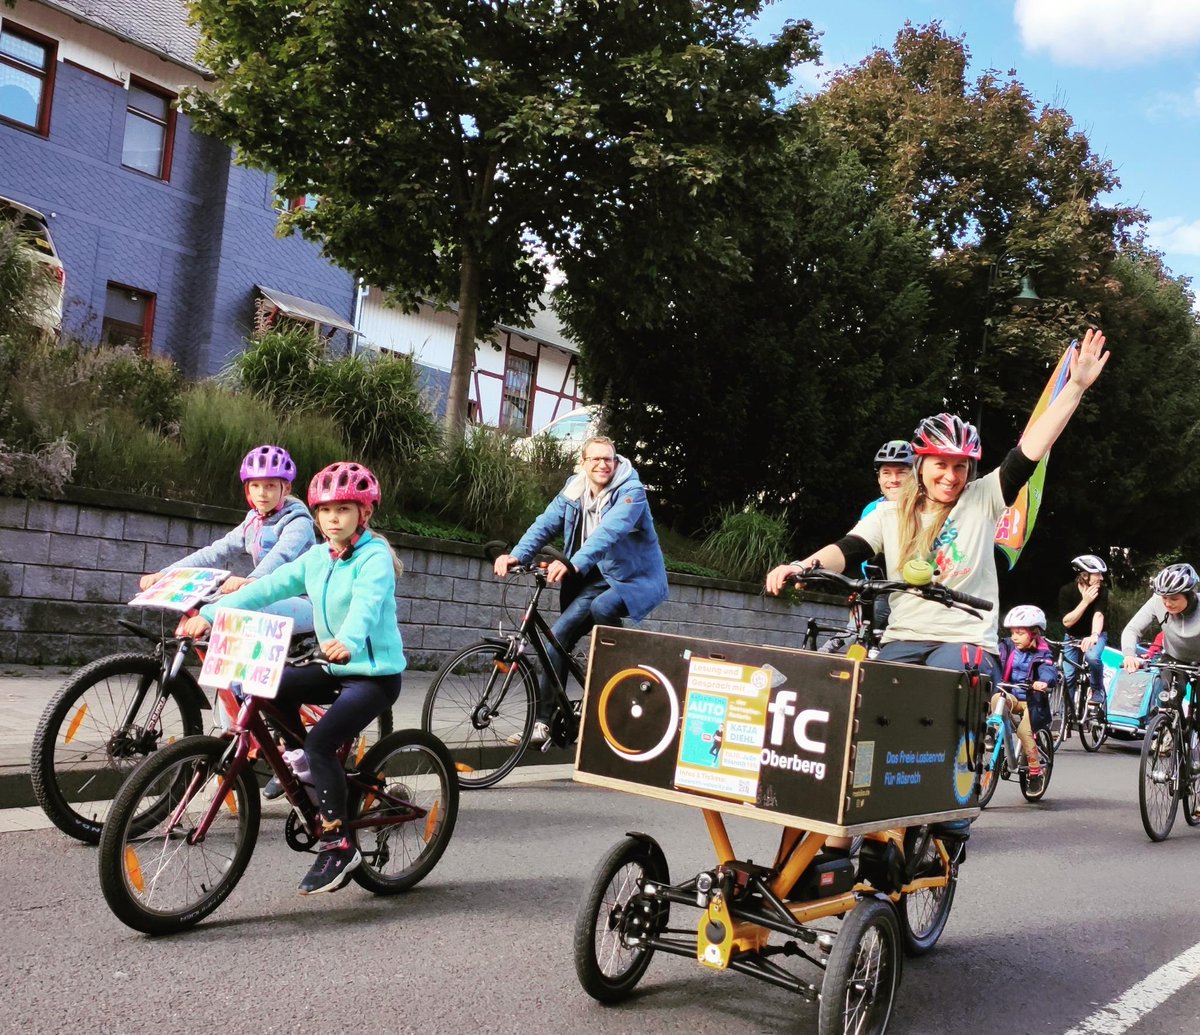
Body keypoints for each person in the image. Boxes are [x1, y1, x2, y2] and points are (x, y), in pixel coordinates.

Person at [765, 327, 1110, 685]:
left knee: (944, 688)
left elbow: (1030, 450)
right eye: (940, 465)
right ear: (921, 466)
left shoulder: (983, 497)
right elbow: (848, 549)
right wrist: (801, 567)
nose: (951, 476)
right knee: (871, 693)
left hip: (966, 639)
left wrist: (1075, 387)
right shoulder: (890, 513)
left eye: (960, 466)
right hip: (904, 637)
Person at [180, 461, 405, 895]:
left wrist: (349, 639)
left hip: (373, 675)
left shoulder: (374, 556)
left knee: (322, 741)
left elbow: (367, 602)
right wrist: (209, 614)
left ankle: (339, 844)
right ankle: (306, 766)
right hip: (332, 664)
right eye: (324, 511)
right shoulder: (317, 558)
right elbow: (263, 589)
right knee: (271, 688)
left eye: (343, 509)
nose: (332, 519)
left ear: (365, 513)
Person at [493, 435, 668, 744]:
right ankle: (549, 722)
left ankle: (617, 673)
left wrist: (573, 564)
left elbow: (609, 532)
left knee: (594, 613)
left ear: (616, 462)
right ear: (583, 463)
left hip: (627, 578)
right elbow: (545, 524)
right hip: (587, 575)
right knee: (557, 644)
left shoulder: (631, 492)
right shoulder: (575, 489)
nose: (603, 464)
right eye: (595, 459)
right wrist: (518, 555)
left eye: (608, 459)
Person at [140, 444, 316, 635]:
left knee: (245, 609)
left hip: (305, 602)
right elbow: (216, 551)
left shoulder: (298, 522)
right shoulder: (253, 520)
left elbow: (281, 555)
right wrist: (165, 574)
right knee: (201, 603)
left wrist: (252, 581)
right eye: (255, 485)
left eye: (270, 485)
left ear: (286, 487)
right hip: (263, 593)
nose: (262, 493)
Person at [993, 605, 1056, 794]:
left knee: (1023, 731)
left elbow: (1048, 669)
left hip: (1032, 701)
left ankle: (1036, 771)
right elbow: (993, 658)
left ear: (1034, 633)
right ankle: (995, 734)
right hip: (1012, 695)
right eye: (1013, 632)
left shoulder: (1043, 653)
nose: (1014, 637)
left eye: (1020, 633)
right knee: (997, 699)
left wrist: (1043, 682)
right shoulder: (1007, 647)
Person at [860, 439, 915, 635]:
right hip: (880, 589)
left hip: (919, 595)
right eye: (887, 473)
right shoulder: (872, 509)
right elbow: (858, 549)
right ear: (878, 478)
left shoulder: (929, 508)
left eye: (901, 472)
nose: (894, 479)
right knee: (857, 634)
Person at [1120, 563, 1200, 674]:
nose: (1167, 603)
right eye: (1164, 597)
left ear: (1191, 595)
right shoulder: (1156, 601)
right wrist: (1129, 655)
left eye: (1174, 599)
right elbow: (1132, 629)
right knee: (1168, 689)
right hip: (1173, 657)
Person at [1058, 554, 1109, 704]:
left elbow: (1098, 615)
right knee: (1068, 676)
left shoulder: (1102, 592)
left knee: (1092, 658)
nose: (1101, 578)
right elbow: (1067, 622)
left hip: (1095, 634)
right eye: (1098, 574)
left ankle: (1096, 689)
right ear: (1084, 575)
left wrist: (1094, 636)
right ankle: (1065, 714)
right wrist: (1085, 602)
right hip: (1072, 637)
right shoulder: (1067, 591)